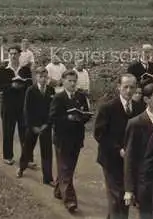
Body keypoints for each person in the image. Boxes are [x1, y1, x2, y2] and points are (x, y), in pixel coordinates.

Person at [94, 74, 145, 219]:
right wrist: (118, 149)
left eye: (132, 87)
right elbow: (99, 134)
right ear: (119, 87)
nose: (129, 91)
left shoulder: (139, 107)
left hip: (130, 161)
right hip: (111, 159)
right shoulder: (108, 108)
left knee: (125, 196)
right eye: (125, 87)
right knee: (117, 196)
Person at [123, 83, 153, 219]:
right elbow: (130, 157)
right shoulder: (136, 123)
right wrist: (129, 189)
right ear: (146, 100)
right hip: (145, 184)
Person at [50, 70, 92, 213]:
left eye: (75, 80)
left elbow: (87, 114)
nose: (73, 83)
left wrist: (83, 117)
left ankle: (58, 189)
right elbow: (53, 118)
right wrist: (67, 119)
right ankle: (70, 200)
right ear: (63, 81)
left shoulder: (81, 96)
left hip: (76, 138)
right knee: (66, 169)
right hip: (62, 139)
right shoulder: (58, 98)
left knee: (69, 168)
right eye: (70, 80)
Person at [16, 66, 55, 185]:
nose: (43, 79)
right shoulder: (31, 90)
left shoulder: (50, 90)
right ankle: (22, 168)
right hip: (33, 126)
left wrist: (47, 124)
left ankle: (48, 178)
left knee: (47, 151)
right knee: (27, 148)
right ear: (36, 77)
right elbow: (26, 110)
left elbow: (52, 109)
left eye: (45, 77)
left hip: (45, 126)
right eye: (40, 77)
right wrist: (32, 126)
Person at [0, 45, 33, 165]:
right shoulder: (3, 69)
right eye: (11, 53)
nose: (13, 56)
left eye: (15, 53)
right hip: (8, 104)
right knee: (8, 131)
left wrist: (22, 85)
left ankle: (27, 157)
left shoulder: (25, 70)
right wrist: (11, 86)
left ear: (19, 55)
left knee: (25, 131)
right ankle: (8, 156)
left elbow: (30, 86)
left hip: (23, 104)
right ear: (8, 55)